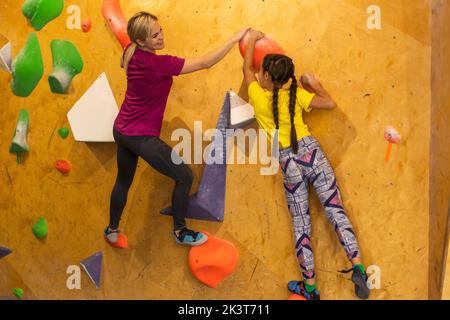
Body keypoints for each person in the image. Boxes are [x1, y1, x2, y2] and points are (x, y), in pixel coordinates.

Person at [242, 29, 370, 300]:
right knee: (336, 211)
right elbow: (330, 103)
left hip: (289, 162)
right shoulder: (297, 95)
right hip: (312, 152)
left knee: (301, 225)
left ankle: (310, 289)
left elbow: (246, 69)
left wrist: (251, 40)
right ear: (289, 78)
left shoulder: (257, 95)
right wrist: (312, 83)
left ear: (265, 76)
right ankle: (358, 266)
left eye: (262, 73)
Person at [106, 11, 248, 247]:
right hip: (140, 136)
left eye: (160, 30)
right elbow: (205, 63)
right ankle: (181, 232)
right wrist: (235, 38)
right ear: (141, 41)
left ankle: (112, 228)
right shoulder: (158, 64)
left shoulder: (130, 51)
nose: (161, 37)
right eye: (155, 36)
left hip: (121, 130)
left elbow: (125, 58)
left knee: (123, 180)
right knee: (185, 176)